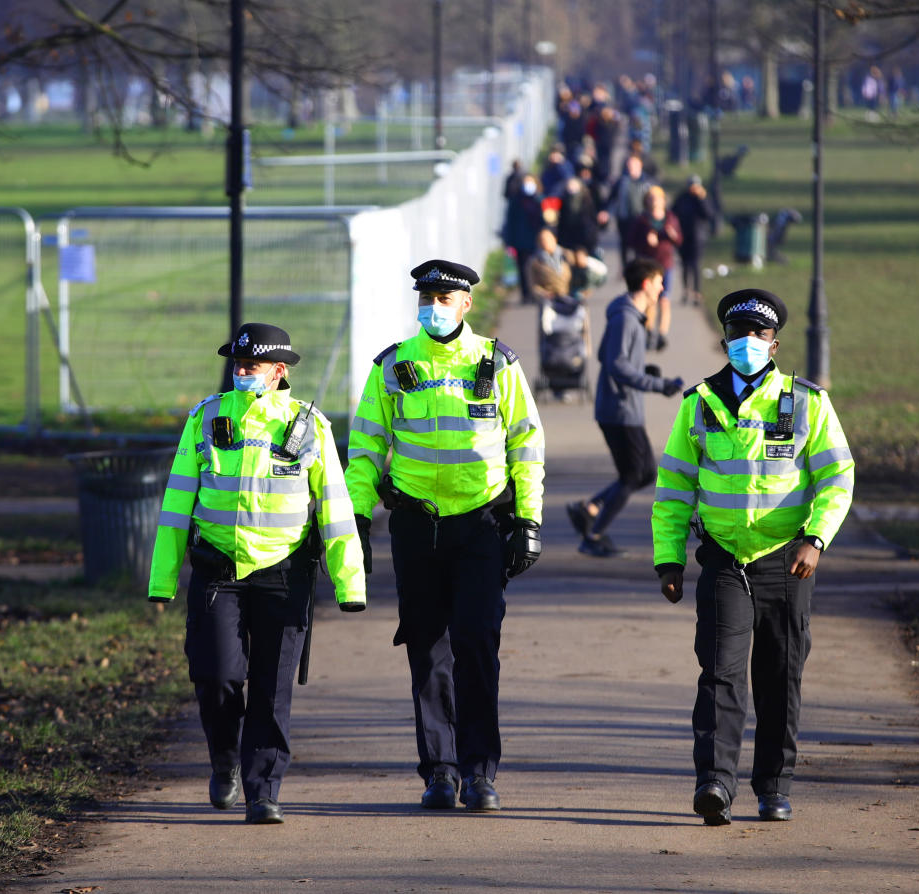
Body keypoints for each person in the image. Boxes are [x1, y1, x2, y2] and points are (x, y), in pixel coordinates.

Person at [148, 322, 367, 825]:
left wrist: (349, 581)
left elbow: (334, 507)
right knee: (216, 675)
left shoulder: (309, 425)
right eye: (237, 365)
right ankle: (224, 761)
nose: (242, 373)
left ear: (278, 372)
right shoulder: (206, 418)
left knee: (271, 688)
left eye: (252, 366)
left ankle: (263, 790)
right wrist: (162, 578)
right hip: (217, 570)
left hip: (283, 573)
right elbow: (178, 500)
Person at [346, 259, 545, 812]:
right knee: (426, 647)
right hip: (415, 526)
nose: (433, 306)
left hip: (482, 524)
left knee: (477, 643)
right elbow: (364, 448)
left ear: (465, 304)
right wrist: (357, 519)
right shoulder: (393, 366)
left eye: (443, 297)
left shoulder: (497, 363)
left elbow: (527, 444)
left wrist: (529, 521)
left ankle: (481, 771)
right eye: (425, 296)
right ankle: (440, 771)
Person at [651, 289, 854, 826]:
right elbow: (674, 486)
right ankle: (715, 782)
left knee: (779, 677)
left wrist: (817, 539)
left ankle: (773, 786)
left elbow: (837, 476)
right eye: (738, 334)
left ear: (775, 342)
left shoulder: (806, 402)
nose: (748, 344)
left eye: (758, 335)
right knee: (719, 674)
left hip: (788, 562)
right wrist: (668, 559)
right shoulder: (698, 404)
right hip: (723, 562)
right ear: (724, 341)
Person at [567, 258, 683, 558]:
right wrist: (657, 384)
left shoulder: (628, 316)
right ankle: (592, 535)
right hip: (619, 410)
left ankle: (589, 508)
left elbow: (610, 355)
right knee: (634, 474)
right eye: (659, 281)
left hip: (622, 409)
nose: (661, 286)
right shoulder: (625, 319)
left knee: (644, 473)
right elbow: (615, 363)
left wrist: (644, 369)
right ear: (646, 284)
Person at [626, 185, 681, 350]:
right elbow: (631, 241)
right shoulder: (642, 220)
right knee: (651, 301)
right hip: (648, 267)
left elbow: (679, 240)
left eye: (657, 198)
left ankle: (662, 334)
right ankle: (649, 332)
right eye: (651, 198)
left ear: (663, 200)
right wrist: (646, 240)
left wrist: (672, 236)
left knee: (664, 300)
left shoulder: (670, 218)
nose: (655, 201)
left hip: (666, 264)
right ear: (646, 201)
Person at [671, 175, 716, 306]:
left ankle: (697, 292)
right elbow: (673, 213)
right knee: (684, 264)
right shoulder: (682, 197)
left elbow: (709, 214)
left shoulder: (703, 198)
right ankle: (686, 290)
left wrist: (701, 199)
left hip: (698, 237)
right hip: (683, 235)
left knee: (695, 265)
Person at [603, 153, 653, 269]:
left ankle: (638, 267)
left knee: (639, 244)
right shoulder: (621, 181)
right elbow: (612, 198)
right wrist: (606, 212)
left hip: (641, 219)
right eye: (629, 165)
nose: (631, 168)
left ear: (640, 165)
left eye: (634, 165)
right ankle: (625, 268)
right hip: (624, 218)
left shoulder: (647, 183)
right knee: (625, 244)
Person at [502, 174, 545, 305]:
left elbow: (544, 220)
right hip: (520, 241)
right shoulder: (516, 201)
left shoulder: (539, 200)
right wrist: (509, 242)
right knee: (523, 268)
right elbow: (510, 222)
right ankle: (526, 294)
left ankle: (533, 293)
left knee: (534, 268)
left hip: (535, 240)